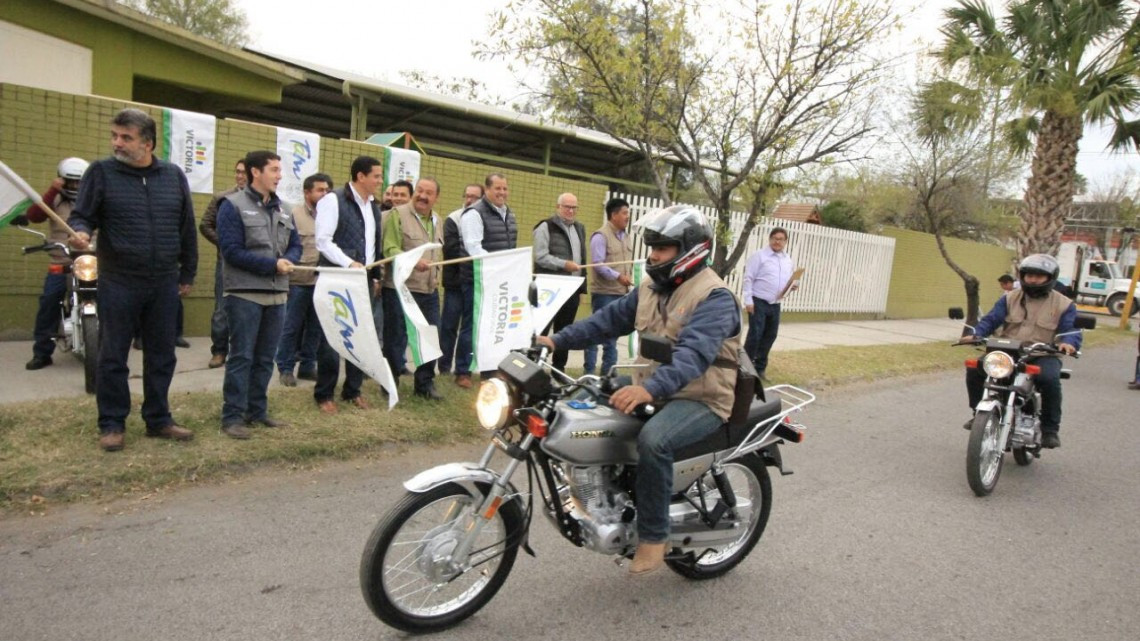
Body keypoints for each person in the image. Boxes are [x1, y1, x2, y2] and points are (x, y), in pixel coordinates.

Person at [537, 205, 741, 576]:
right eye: (652, 246)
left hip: (703, 397)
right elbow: (607, 321)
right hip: (655, 387)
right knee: (581, 400)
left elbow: (693, 356)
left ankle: (653, 537)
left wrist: (650, 391)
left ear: (691, 250)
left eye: (663, 248)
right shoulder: (650, 287)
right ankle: (601, 493)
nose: (653, 255)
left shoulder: (715, 297)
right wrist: (555, 340)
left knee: (655, 441)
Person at [68, 108, 197, 452]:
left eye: (126, 137)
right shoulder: (101, 172)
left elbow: (186, 226)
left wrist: (188, 272)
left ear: (149, 143)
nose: (117, 143)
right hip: (119, 280)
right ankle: (112, 423)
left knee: (161, 355)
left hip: (163, 282)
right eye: (115, 136)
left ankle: (159, 419)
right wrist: (80, 232)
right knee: (112, 356)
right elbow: (82, 215)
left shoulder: (172, 176)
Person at [215, 151, 301, 439]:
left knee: (265, 358)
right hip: (244, 294)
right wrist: (272, 265)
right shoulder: (231, 206)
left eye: (280, 170)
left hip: (277, 296)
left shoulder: (286, 209)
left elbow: (295, 245)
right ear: (256, 172)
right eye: (274, 170)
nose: (279, 175)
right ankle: (233, 416)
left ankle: (257, 411)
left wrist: (289, 258)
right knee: (241, 356)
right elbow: (231, 251)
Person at [959, 254, 1081, 449]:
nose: (1033, 280)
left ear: (1050, 278)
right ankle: (978, 414)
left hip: (1042, 353)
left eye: (1038, 276)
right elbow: (991, 319)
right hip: (1008, 350)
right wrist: (976, 334)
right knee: (976, 369)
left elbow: (1071, 329)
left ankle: (1050, 429)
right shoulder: (1009, 298)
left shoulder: (1064, 304)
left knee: (1049, 379)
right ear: (1022, 276)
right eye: (1029, 275)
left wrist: (1068, 342)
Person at [313, 155, 384, 414]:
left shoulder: (373, 206)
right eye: (376, 175)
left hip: (363, 281)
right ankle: (324, 394)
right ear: (360, 176)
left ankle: (353, 390)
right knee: (334, 337)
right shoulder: (333, 200)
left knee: (360, 334)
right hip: (338, 278)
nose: (380, 180)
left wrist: (374, 275)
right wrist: (348, 263)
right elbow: (323, 241)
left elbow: (373, 245)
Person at [22, 157, 89, 370]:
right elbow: (34, 216)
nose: (76, 187)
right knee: (49, 301)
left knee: (114, 300)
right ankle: (42, 352)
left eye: (80, 182)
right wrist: (52, 190)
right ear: (62, 179)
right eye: (71, 182)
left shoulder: (93, 199)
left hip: (91, 261)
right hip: (61, 260)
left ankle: (115, 346)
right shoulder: (56, 199)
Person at [382, 177, 445, 400]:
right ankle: (390, 382)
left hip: (428, 290)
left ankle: (425, 384)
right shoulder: (396, 215)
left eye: (429, 193)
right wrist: (411, 261)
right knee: (395, 338)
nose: (422, 196)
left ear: (435, 198)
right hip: (400, 288)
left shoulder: (438, 220)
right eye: (419, 190)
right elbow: (389, 248)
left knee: (431, 337)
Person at [459, 173, 518, 376]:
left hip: (498, 281)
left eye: (505, 188)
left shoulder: (509, 214)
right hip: (476, 279)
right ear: (487, 190)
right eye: (497, 188)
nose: (502, 192)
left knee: (494, 327)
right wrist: (498, 265)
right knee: (471, 326)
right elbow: (473, 247)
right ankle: (463, 370)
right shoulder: (474, 213)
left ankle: (490, 369)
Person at [276, 172, 331, 387]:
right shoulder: (294, 215)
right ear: (307, 192)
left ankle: (308, 366)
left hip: (321, 282)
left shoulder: (330, 215)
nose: (324, 193)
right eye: (320, 190)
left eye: (327, 190)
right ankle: (285, 367)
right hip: (298, 281)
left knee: (316, 328)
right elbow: (284, 246)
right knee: (292, 327)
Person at [199, 158, 248, 368]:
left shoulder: (260, 201)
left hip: (249, 265)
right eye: (237, 172)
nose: (240, 176)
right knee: (222, 308)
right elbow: (205, 225)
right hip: (226, 263)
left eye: (244, 172)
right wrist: (226, 244)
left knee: (246, 310)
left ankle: (241, 351)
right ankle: (219, 351)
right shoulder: (222, 198)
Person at [533, 192, 588, 372]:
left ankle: (559, 368)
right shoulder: (545, 227)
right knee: (542, 328)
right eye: (567, 207)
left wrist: (582, 289)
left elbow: (582, 260)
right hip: (549, 288)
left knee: (565, 331)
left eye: (574, 207)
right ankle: (534, 365)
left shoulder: (580, 228)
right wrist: (563, 264)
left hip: (572, 289)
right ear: (558, 207)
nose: (571, 211)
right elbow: (540, 257)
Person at [438, 183, 483, 388]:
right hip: (455, 281)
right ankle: (444, 366)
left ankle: (463, 368)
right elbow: (452, 249)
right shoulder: (454, 218)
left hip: (475, 281)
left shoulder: (481, 218)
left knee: (469, 326)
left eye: (474, 197)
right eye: (467, 195)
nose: (469, 200)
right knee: (449, 325)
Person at [588, 196, 634, 376]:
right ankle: (590, 372)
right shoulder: (600, 236)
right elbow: (598, 265)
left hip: (620, 294)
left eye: (627, 213)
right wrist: (618, 276)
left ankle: (608, 374)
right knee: (596, 332)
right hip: (604, 294)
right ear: (614, 215)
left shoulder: (626, 236)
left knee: (612, 335)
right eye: (624, 213)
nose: (627, 217)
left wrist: (626, 275)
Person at [742, 227, 795, 379]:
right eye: (775, 238)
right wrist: (748, 300)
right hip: (758, 302)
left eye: (781, 239)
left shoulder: (787, 259)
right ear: (770, 239)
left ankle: (760, 368)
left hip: (775, 304)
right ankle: (745, 368)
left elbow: (787, 281)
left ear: (785, 242)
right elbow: (748, 278)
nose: (778, 242)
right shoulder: (759, 256)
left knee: (770, 335)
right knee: (755, 335)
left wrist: (792, 286)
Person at [379, 178, 417, 377]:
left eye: (402, 195)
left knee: (401, 329)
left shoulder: (414, 219)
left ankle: (399, 363)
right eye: (394, 194)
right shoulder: (383, 217)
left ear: (410, 197)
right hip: (385, 281)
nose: (397, 198)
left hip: (407, 283)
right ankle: (385, 368)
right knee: (386, 329)